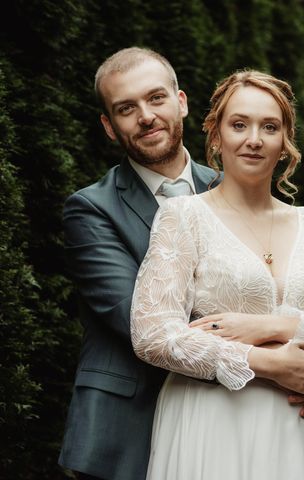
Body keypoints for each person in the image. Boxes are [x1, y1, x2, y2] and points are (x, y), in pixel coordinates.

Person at [129, 70, 304, 479]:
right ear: (216, 135)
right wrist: (264, 362)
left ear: (285, 143)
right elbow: (153, 335)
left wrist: (269, 326)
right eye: (239, 124)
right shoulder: (183, 217)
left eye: (270, 127)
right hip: (214, 421)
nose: (254, 138)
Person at [58, 47, 220, 480]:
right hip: (128, 431)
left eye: (156, 98)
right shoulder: (91, 210)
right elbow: (142, 322)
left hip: (229, 421)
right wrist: (264, 354)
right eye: (126, 109)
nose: (146, 116)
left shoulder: (231, 190)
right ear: (110, 127)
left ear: (181, 101)